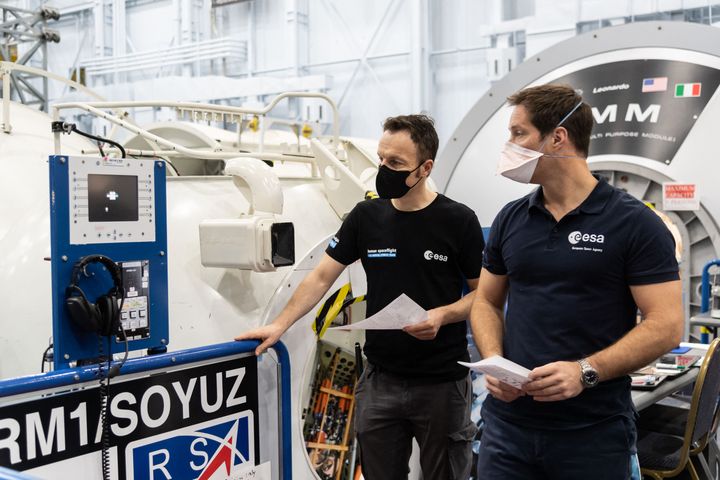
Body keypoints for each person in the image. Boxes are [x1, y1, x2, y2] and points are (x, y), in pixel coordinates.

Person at [236, 114, 485, 479]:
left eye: (396, 163)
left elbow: (484, 297)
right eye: (382, 159)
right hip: (380, 380)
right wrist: (279, 324)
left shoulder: (458, 221)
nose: (385, 169)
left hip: (442, 382)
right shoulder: (366, 217)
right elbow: (321, 277)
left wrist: (443, 316)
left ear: (425, 167)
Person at [471, 84, 683, 479]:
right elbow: (485, 302)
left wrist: (586, 371)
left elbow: (666, 325)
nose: (509, 145)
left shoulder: (635, 223)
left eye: (518, 133)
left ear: (558, 137)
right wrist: (495, 361)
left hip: (591, 432)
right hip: (507, 429)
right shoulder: (510, 219)